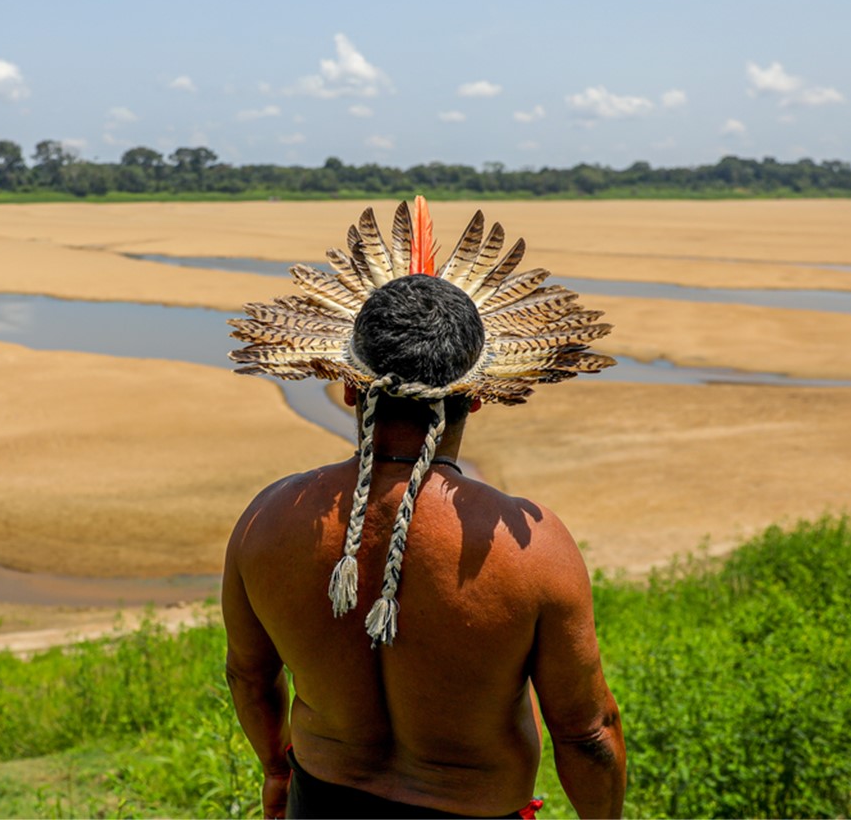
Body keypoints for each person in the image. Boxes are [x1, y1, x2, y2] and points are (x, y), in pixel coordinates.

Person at [224, 198, 625, 818]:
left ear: (350, 386)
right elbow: (588, 732)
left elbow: (250, 678)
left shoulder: (268, 520)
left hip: (322, 799)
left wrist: (278, 771)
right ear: (481, 396)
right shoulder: (534, 551)